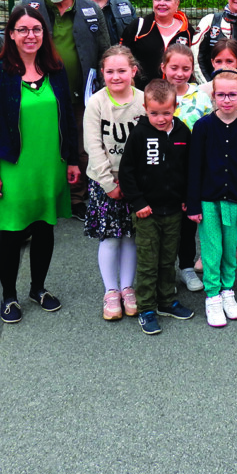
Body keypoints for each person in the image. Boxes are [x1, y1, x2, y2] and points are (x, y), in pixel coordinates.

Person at [0, 4, 81, 324]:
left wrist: (72, 159)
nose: (30, 35)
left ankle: (38, 288)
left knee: (44, 228)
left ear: (43, 34)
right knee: (11, 234)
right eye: (22, 30)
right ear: (11, 34)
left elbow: (67, 117)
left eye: (36, 30)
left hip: (50, 164)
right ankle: (9, 296)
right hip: (14, 166)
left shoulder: (56, 69)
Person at [20, 0, 111, 221]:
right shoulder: (28, 7)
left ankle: (77, 198)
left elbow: (104, 50)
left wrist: (106, 86)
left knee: (82, 149)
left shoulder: (90, 9)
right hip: (40, 94)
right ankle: (44, 196)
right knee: (44, 145)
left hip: (82, 93)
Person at [118, 79, 195, 335]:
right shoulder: (140, 134)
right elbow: (126, 172)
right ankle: (147, 308)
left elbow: (187, 170)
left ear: (175, 106)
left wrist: (186, 197)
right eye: (154, 113)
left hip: (173, 209)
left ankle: (166, 300)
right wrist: (138, 202)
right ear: (145, 108)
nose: (160, 119)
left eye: (166, 112)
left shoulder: (183, 132)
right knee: (149, 261)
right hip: (147, 210)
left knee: (167, 258)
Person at [188, 70, 237, 327]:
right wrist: (194, 202)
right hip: (208, 200)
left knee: (230, 247)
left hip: (235, 201)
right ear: (213, 96)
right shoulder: (203, 127)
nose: (227, 99)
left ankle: (228, 291)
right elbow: (194, 167)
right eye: (222, 94)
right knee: (212, 248)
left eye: (232, 94)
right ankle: (212, 296)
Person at [84, 47, 144, 322]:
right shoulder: (96, 103)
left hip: (136, 181)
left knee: (131, 235)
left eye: (122, 70)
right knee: (110, 236)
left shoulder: (144, 101)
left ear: (133, 71)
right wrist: (108, 183)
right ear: (102, 73)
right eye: (110, 71)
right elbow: (93, 146)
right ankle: (111, 291)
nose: (116, 76)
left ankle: (127, 287)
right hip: (104, 180)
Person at [160, 43, 213, 293]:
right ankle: (164, 270)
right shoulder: (153, 94)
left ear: (192, 70)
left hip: (192, 170)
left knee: (189, 221)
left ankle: (187, 267)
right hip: (161, 172)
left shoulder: (201, 97)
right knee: (165, 222)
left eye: (185, 68)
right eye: (174, 67)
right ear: (163, 67)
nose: (179, 73)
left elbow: (209, 131)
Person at [120, 0, 194, 89]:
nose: (161, 3)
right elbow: (122, 57)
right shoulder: (139, 26)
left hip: (176, 95)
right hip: (142, 93)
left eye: (167, 0)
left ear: (177, 3)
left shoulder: (187, 30)